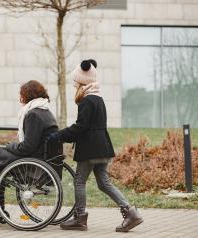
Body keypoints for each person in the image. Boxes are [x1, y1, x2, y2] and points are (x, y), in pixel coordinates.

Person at [48, 59, 143, 232]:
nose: (74, 84)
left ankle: (79, 218)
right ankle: (131, 213)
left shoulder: (87, 100)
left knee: (79, 181)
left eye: (75, 81)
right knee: (104, 183)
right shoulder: (98, 98)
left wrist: (58, 136)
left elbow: (80, 127)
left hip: (90, 149)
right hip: (103, 147)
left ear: (82, 81)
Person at [0, 80, 61, 212]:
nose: (20, 99)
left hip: (33, 163)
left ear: (27, 95)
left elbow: (27, 147)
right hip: (41, 159)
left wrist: (10, 146)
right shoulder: (45, 111)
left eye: (21, 95)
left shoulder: (33, 114)